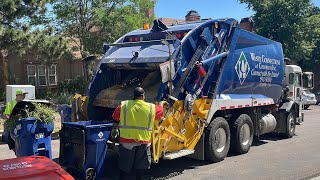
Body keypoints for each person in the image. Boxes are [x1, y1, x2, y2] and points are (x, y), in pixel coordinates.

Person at [112, 87, 164, 180]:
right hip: (143, 141)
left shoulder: (124, 105)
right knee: (141, 168)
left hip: (126, 142)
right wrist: (161, 104)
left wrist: (114, 128)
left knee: (124, 167)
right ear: (143, 96)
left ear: (134, 96)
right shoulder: (151, 107)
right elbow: (160, 111)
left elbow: (115, 117)